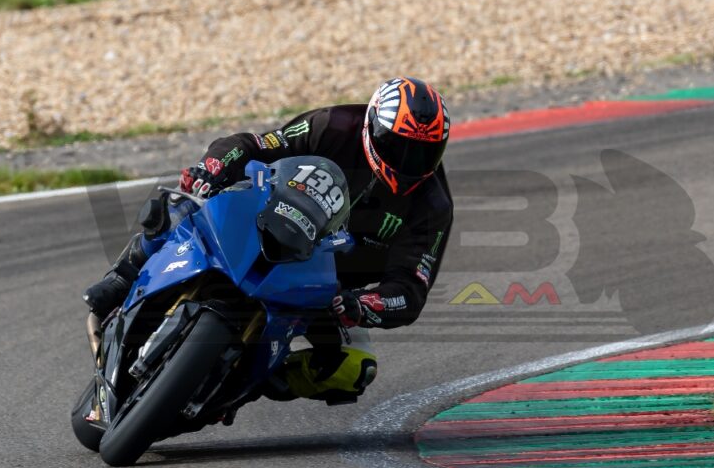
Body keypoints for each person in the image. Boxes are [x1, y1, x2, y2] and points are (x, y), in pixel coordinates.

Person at [83, 76, 453, 403]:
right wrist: (211, 168)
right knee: (182, 203)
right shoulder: (334, 125)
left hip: (325, 289)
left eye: (425, 152)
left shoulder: (432, 207)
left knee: (356, 369)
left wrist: (363, 304)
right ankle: (122, 277)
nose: (408, 161)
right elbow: (257, 144)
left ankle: (260, 380)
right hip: (269, 224)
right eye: (396, 145)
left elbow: (410, 289)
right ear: (372, 126)